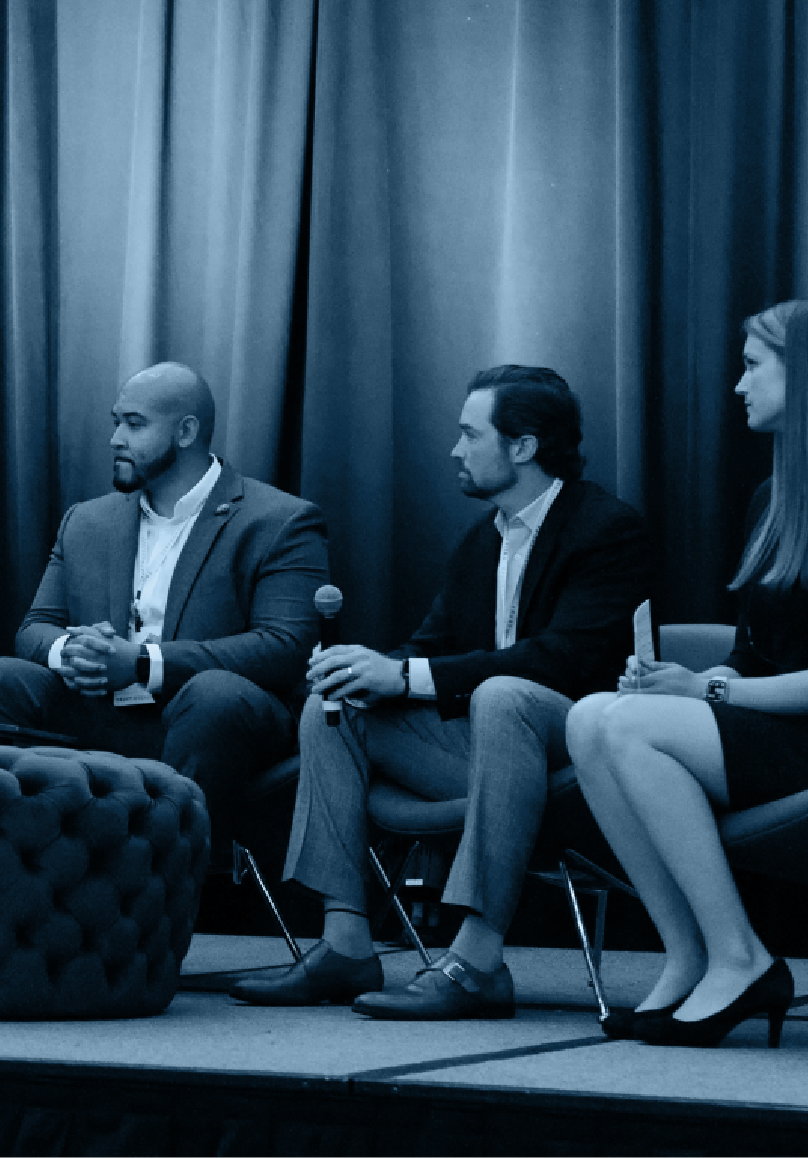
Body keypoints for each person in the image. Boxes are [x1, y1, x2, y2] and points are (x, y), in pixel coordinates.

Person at [235, 365, 650, 1018]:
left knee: (505, 694)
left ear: (522, 445)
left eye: (470, 434)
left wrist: (404, 677)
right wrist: (364, 667)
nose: (456, 450)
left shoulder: (606, 528)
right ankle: (345, 944)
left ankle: (477, 962)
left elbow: (563, 659)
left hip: (581, 757)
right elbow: (428, 646)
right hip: (488, 754)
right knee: (335, 704)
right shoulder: (482, 539)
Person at [566, 297, 808, 1048]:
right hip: (782, 736)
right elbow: (754, 655)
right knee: (590, 717)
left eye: (753, 366)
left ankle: (740, 956)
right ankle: (689, 953)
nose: (738, 384)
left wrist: (707, 690)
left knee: (626, 726)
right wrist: (679, 683)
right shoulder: (773, 499)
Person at [0, 361, 329, 841]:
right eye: (116, 422)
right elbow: (35, 627)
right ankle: (28, 863)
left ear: (186, 432)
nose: (115, 439)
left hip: (210, 720)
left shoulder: (279, 520)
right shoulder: (87, 521)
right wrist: (73, 653)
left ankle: (173, 872)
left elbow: (286, 646)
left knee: (213, 696)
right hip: (102, 711)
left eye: (134, 424)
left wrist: (142, 663)